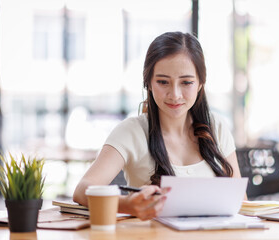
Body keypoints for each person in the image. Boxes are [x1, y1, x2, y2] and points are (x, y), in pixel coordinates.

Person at [73, 31, 243, 220]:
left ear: (200, 84)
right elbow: (82, 190)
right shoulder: (132, 131)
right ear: (149, 83)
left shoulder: (216, 127)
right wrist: (125, 205)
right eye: (163, 82)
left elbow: (241, 203)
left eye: (186, 82)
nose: (175, 94)